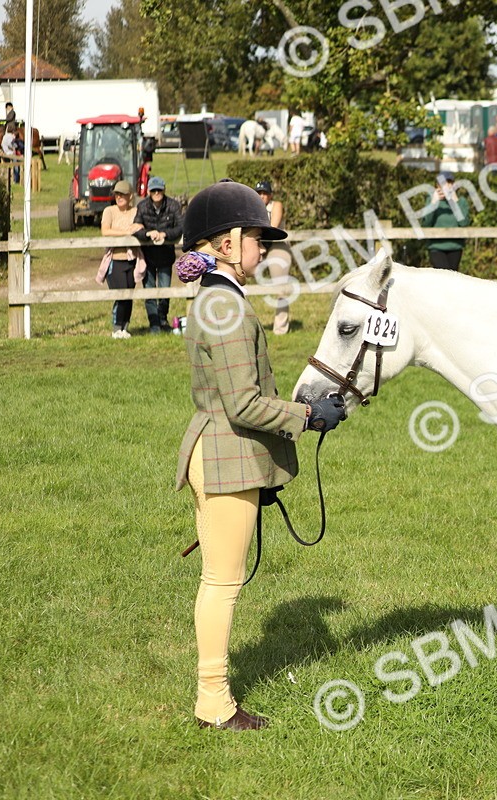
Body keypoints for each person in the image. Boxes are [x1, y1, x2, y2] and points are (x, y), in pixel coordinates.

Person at [173, 179, 348, 731]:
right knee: (222, 584)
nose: (263, 249)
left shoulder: (218, 297)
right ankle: (214, 703)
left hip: (224, 450)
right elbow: (244, 403)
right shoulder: (224, 305)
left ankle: (213, 697)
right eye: (256, 238)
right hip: (226, 452)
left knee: (219, 581)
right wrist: (309, 416)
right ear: (226, 243)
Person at [133, 176, 184, 333]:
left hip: (165, 256)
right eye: (153, 190)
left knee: (164, 291)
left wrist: (164, 234)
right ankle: (154, 324)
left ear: (164, 190)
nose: (156, 193)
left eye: (159, 190)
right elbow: (136, 229)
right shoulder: (142, 206)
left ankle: (162, 320)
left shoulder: (174, 206)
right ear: (148, 191)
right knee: (149, 292)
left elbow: (180, 227)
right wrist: (149, 233)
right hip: (147, 257)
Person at [101, 180, 145, 338]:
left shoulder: (135, 212)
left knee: (129, 294)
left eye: (122, 194)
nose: (119, 197)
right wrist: (125, 232)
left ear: (130, 196)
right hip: (115, 259)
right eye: (117, 194)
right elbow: (105, 231)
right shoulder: (109, 211)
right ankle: (116, 327)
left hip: (131, 259)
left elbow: (140, 226)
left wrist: (135, 229)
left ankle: (125, 327)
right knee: (120, 294)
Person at [254, 180, 294, 334]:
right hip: (257, 244)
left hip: (276, 244)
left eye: (265, 193)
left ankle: (281, 328)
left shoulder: (276, 205)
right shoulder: (251, 207)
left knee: (281, 286)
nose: (262, 196)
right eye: (259, 193)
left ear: (270, 195)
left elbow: (273, 228)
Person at [422, 172, 471, 271]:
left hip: (455, 246)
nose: (447, 186)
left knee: (453, 278)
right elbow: (426, 224)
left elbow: (464, 223)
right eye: (443, 183)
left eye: (449, 182)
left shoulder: (461, 201)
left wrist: (455, 201)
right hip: (436, 247)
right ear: (437, 185)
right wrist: (433, 203)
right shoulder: (431, 200)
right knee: (444, 277)